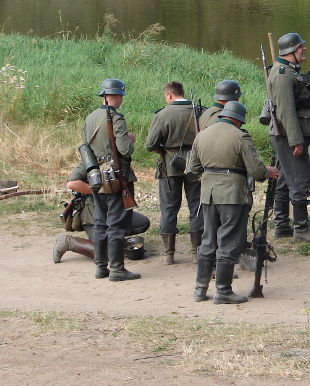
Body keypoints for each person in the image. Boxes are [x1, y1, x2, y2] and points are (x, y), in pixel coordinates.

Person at [188, 101, 279, 304]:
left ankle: (200, 289)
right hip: (232, 194)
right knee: (229, 240)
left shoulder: (202, 135)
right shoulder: (240, 136)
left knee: (208, 239)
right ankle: (223, 291)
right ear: (239, 119)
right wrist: (268, 172)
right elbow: (256, 170)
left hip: (208, 194)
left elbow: (193, 169)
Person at [81, 78, 140, 281]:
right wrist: (130, 141)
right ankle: (117, 269)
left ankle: (100, 267)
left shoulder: (90, 118)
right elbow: (125, 149)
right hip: (116, 176)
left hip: (95, 175)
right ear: (117, 96)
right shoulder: (116, 118)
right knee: (116, 222)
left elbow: (85, 147)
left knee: (100, 221)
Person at [268, 32, 310, 242]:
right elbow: (286, 111)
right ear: (290, 50)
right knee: (300, 178)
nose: (304, 49)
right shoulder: (283, 73)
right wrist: (296, 141)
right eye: (300, 46)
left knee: (285, 178)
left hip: (289, 135)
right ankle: (301, 230)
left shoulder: (289, 70)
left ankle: (282, 225)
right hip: (288, 136)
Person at [145, 81, 202, 265]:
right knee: (197, 206)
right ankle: (196, 251)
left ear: (169, 95)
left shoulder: (163, 114)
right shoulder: (200, 111)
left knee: (169, 208)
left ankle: (169, 254)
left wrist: (164, 151)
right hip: (195, 164)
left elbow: (150, 145)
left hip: (169, 166)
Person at [53, 164, 150, 263]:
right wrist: (99, 190)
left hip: (112, 209)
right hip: (92, 213)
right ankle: (68, 241)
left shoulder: (118, 160)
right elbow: (72, 183)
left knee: (142, 223)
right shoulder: (89, 159)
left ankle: (112, 242)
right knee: (106, 254)